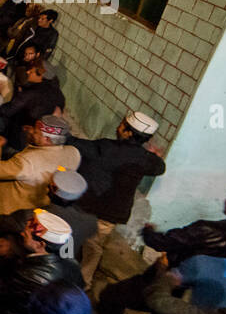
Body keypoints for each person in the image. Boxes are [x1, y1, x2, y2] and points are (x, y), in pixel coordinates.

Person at [72, 110, 167, 285]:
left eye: (122, 125)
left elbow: (78, 145)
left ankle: (64, 270)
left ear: (128, 132)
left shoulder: (106, 147)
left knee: (77, 238)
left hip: (90, 205)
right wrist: (152, 154)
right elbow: (160, 167)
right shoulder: (146, 159)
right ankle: (84, 282)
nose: (118, 126)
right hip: (113, 213)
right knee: (94, 246)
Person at [0, 115, 81, 215]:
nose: (32, 131)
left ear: (46, 139)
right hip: (36, 206)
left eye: (36, 132)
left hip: (8, 209)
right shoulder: (73, 153)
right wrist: (32, 138)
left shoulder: (28, 161)